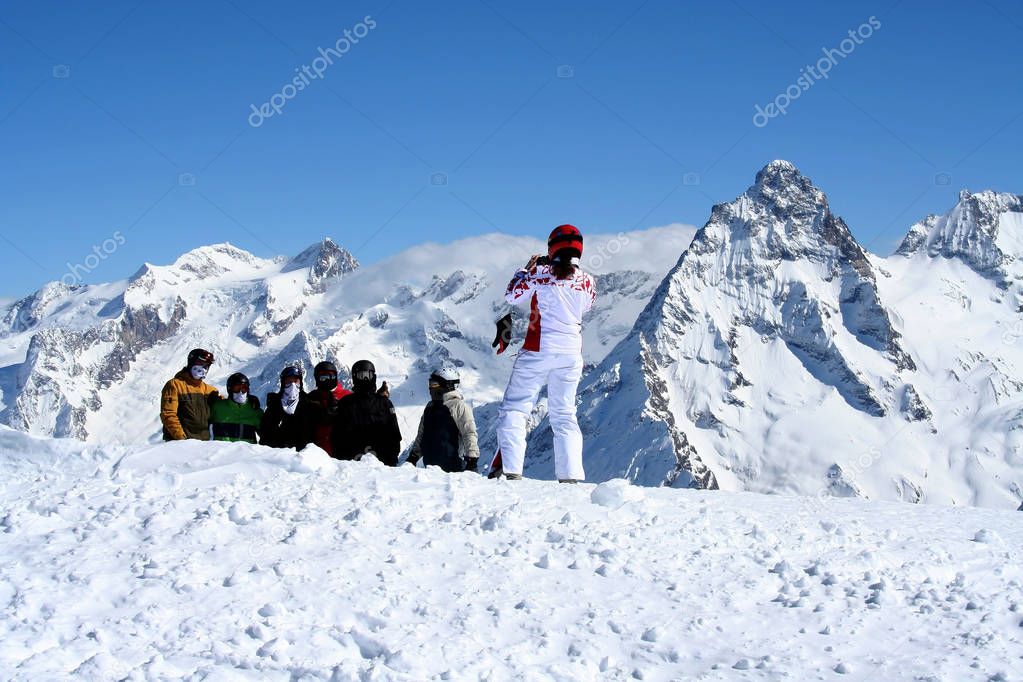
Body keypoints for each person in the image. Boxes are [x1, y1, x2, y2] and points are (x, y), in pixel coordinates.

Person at [493, 224, 596, 482]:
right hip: (571, 354)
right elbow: (586, 306)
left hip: (538, 349)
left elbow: (511, 296)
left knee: (516, 408)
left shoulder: (538, 274)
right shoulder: (587, 281)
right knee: (564, 414)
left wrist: (527, 268)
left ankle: (512, 471)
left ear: (552, 247)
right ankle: (570, 476)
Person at [405, 368, 480, 473]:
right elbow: (422, 435)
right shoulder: (430, 407)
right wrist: (413, 456)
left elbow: (469, 433)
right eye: (430, 384)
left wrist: (472, 460)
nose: (431, 388)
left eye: (434, 384)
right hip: (430, 470)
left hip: (453, 470)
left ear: (447, 386)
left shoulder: (458, 406)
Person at [331, 360, 402, 465]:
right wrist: (345, 462)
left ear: (373, 376)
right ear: (355, 377)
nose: (365, 379)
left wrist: (390, 461)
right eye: (361, 375)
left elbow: (394, 435)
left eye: (368, 375)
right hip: (352, 466)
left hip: (383, 466)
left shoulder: (384, 403)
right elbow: (337, 436)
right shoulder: (346, 403)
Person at [160, 348, 221, 441]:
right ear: (191, 363)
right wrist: (181, 439)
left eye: (206, 366)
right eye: (200, 364)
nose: (203, 368)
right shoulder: (175, 385)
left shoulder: (210, 390)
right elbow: (168, 414)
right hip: (179, 444)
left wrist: (250, 402)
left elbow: (226, 406)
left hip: (204, 444)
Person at [300, 360, 352, 455]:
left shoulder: (347, 397)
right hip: (317, 453)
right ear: (317, 378)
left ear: (336, 376)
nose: (328, 380)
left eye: (331, 376)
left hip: (343, 452)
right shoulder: (311, 398)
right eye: (324, 377)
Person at [260, 366, 310, 450]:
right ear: (283, 383)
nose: (292, 385)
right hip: (277, 455)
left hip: (301, 457)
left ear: (300, 383)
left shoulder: (307, 403)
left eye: (295, 381)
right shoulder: (274, 403)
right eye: (289, 381)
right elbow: (265, 430)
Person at [209, 373, 263, 443]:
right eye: (236, 388)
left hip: (247, 452)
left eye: (244, 388)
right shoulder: (217, 407)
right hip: (221, 451)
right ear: (229, 389)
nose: (241, 392)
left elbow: (267, 435)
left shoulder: (255, 410)